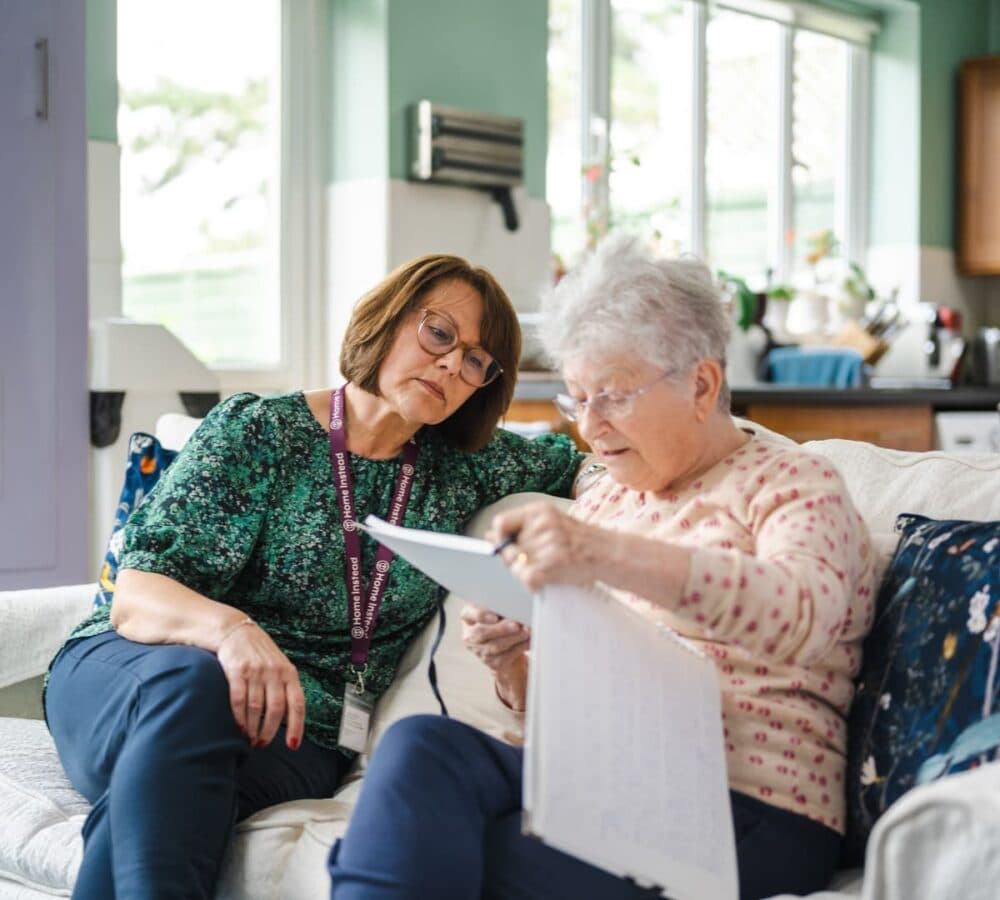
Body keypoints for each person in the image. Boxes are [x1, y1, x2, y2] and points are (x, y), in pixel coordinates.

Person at [327, 235, 877, 900]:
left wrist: (606, 555)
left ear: (701, 385)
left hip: (748, 810)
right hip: (610, 782)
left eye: (612, 396)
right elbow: (576, 704)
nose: (590, 426)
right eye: (576, 398)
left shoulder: (793, 483)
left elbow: (804, 615)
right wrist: (513, 664)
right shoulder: (608, 494)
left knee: (466, 857)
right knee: (422, 747)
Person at [44, 253, 588, 900]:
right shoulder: (259, 433)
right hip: (138, 674)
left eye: (475, 360)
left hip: (300, 736)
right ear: (387, 321)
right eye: (439, 333)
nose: (451, 364)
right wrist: (231, 632)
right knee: (194, 687)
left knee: (168, 799)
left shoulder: (465, 469)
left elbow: (594, 464)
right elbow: (136, 596)